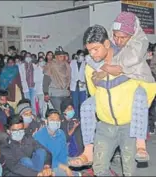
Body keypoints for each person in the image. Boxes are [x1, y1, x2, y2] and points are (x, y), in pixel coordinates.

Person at [74, 23, 155, 175]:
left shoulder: (129, 59)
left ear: (106, 43)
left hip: (129, 125)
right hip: (105, 126)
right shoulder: (90, 66)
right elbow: (94, 92)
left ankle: (140, 143)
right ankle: (88, 150)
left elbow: (149, 85)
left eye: (95, 49)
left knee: (129, 170)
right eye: (89, 50)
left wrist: (140, 109)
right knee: (99, 169)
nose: (92, 54)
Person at [34, 109, 79, 176]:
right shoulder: (39, 136)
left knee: (79, 162)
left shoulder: (61, 133)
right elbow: (45, 159)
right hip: (45, 166)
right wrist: (65, 168)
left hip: (59, 162)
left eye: (57, 120)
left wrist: (68, 163)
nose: (55, 122)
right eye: (52, 119)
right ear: (46, 121)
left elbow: (64, 154)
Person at [43, 46, 71, 113]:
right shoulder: (51, 65)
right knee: (59, 112)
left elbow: (68, 80)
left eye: (63, 56)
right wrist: (46, 93)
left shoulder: (67, 65)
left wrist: (69, 91)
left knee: (67, 112)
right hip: (55, 93)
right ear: (56, 56)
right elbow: (46, 80)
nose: (62, 57)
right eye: (60, 56)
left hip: (65, 93)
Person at [70, 50, 87, 118]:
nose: (81, 57)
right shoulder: (72, 62)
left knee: (82, 103)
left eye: (83, 55)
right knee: (75, 103)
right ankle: (76, 117)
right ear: (77, 56)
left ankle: (82, 117)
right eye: (80, 55)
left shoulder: (85, 63)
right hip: (74, 84)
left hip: (82, 84)